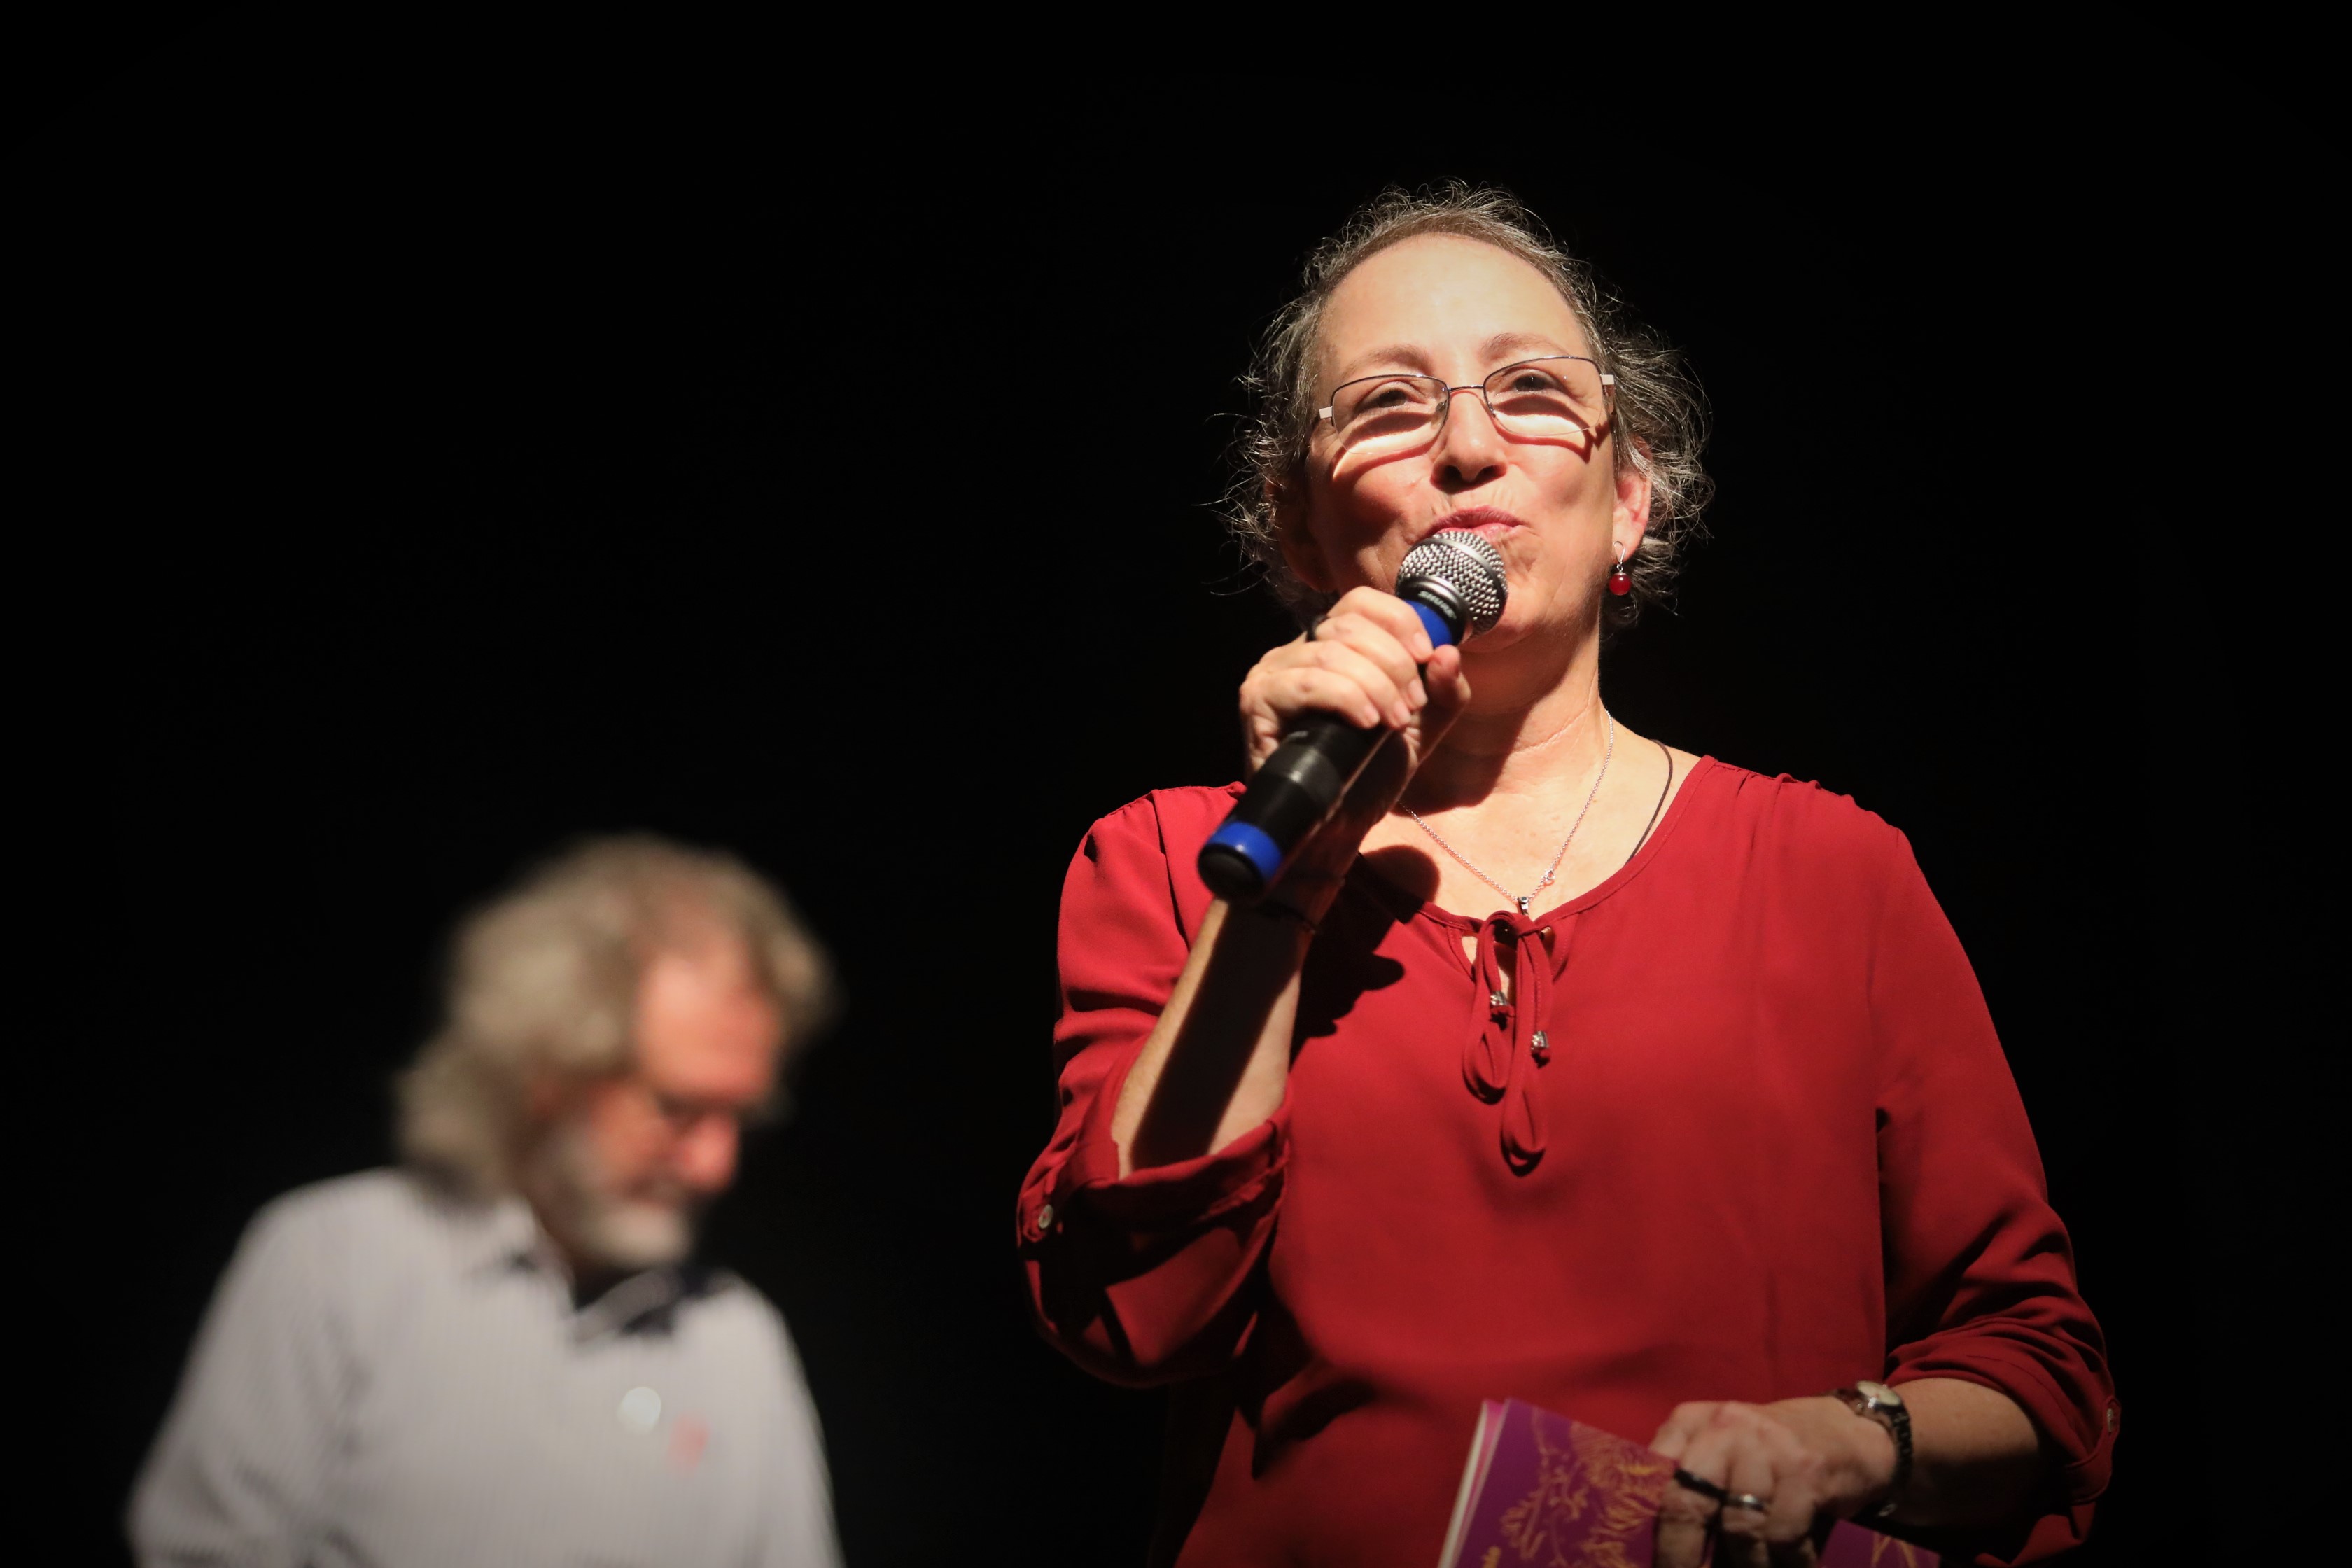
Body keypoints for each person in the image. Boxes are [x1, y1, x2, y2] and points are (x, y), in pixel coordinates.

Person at [1018, 187, 2115, 1568]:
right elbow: (1130, 1311)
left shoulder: (1832, 873)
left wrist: (1846, 1440)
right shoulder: (1176, 862)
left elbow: (2038, 1374)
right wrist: (1284, 895)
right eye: (1389, 406)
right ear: (1297, 526)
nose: (1470, 446)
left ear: (1629, 503)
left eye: (1531, 391)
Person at [132, 836, 844, 1568]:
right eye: (675, 1108)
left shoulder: (737, 1342)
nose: (717, 1165)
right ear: (547, 1067)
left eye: (739, 1118)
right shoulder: (337, 1262)